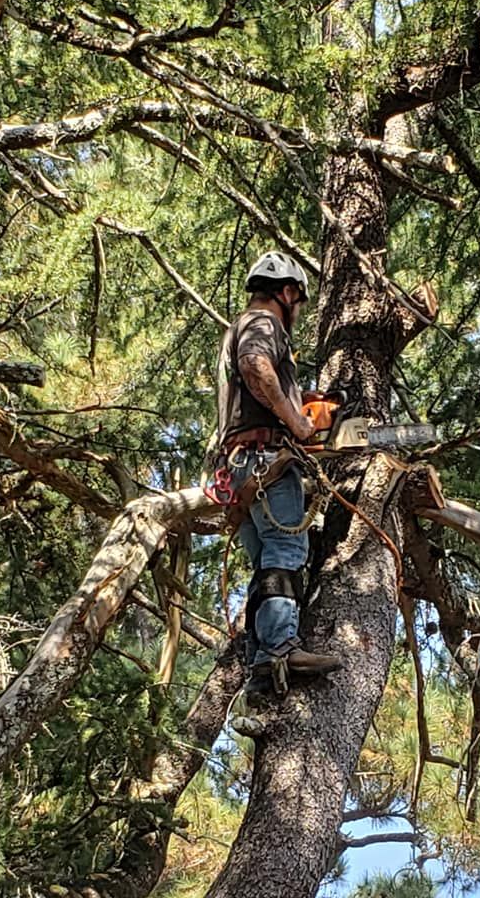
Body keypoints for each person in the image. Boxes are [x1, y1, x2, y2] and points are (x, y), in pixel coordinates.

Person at [215, 251, 342, 704]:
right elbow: (255, 366)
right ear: (287, 292)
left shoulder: (238, 328)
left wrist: (299, 397)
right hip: (265, 459)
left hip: (238, 466)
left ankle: (261, 666)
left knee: (267, 563)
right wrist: (297, 421)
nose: (298, 311)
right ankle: (280, 647)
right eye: (299, 302)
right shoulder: (262, 323)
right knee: (287, 549)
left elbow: (254, 380)